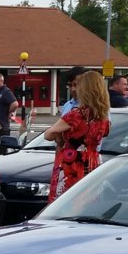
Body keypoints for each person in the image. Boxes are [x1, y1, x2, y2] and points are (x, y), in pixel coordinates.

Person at [45, 70, 112, 203]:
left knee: (66, 202)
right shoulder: (104, 117)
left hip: (72, 162)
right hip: (93, 162)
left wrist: (60, 137)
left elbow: (48, 134)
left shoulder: (76, 114)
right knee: (87, 202)